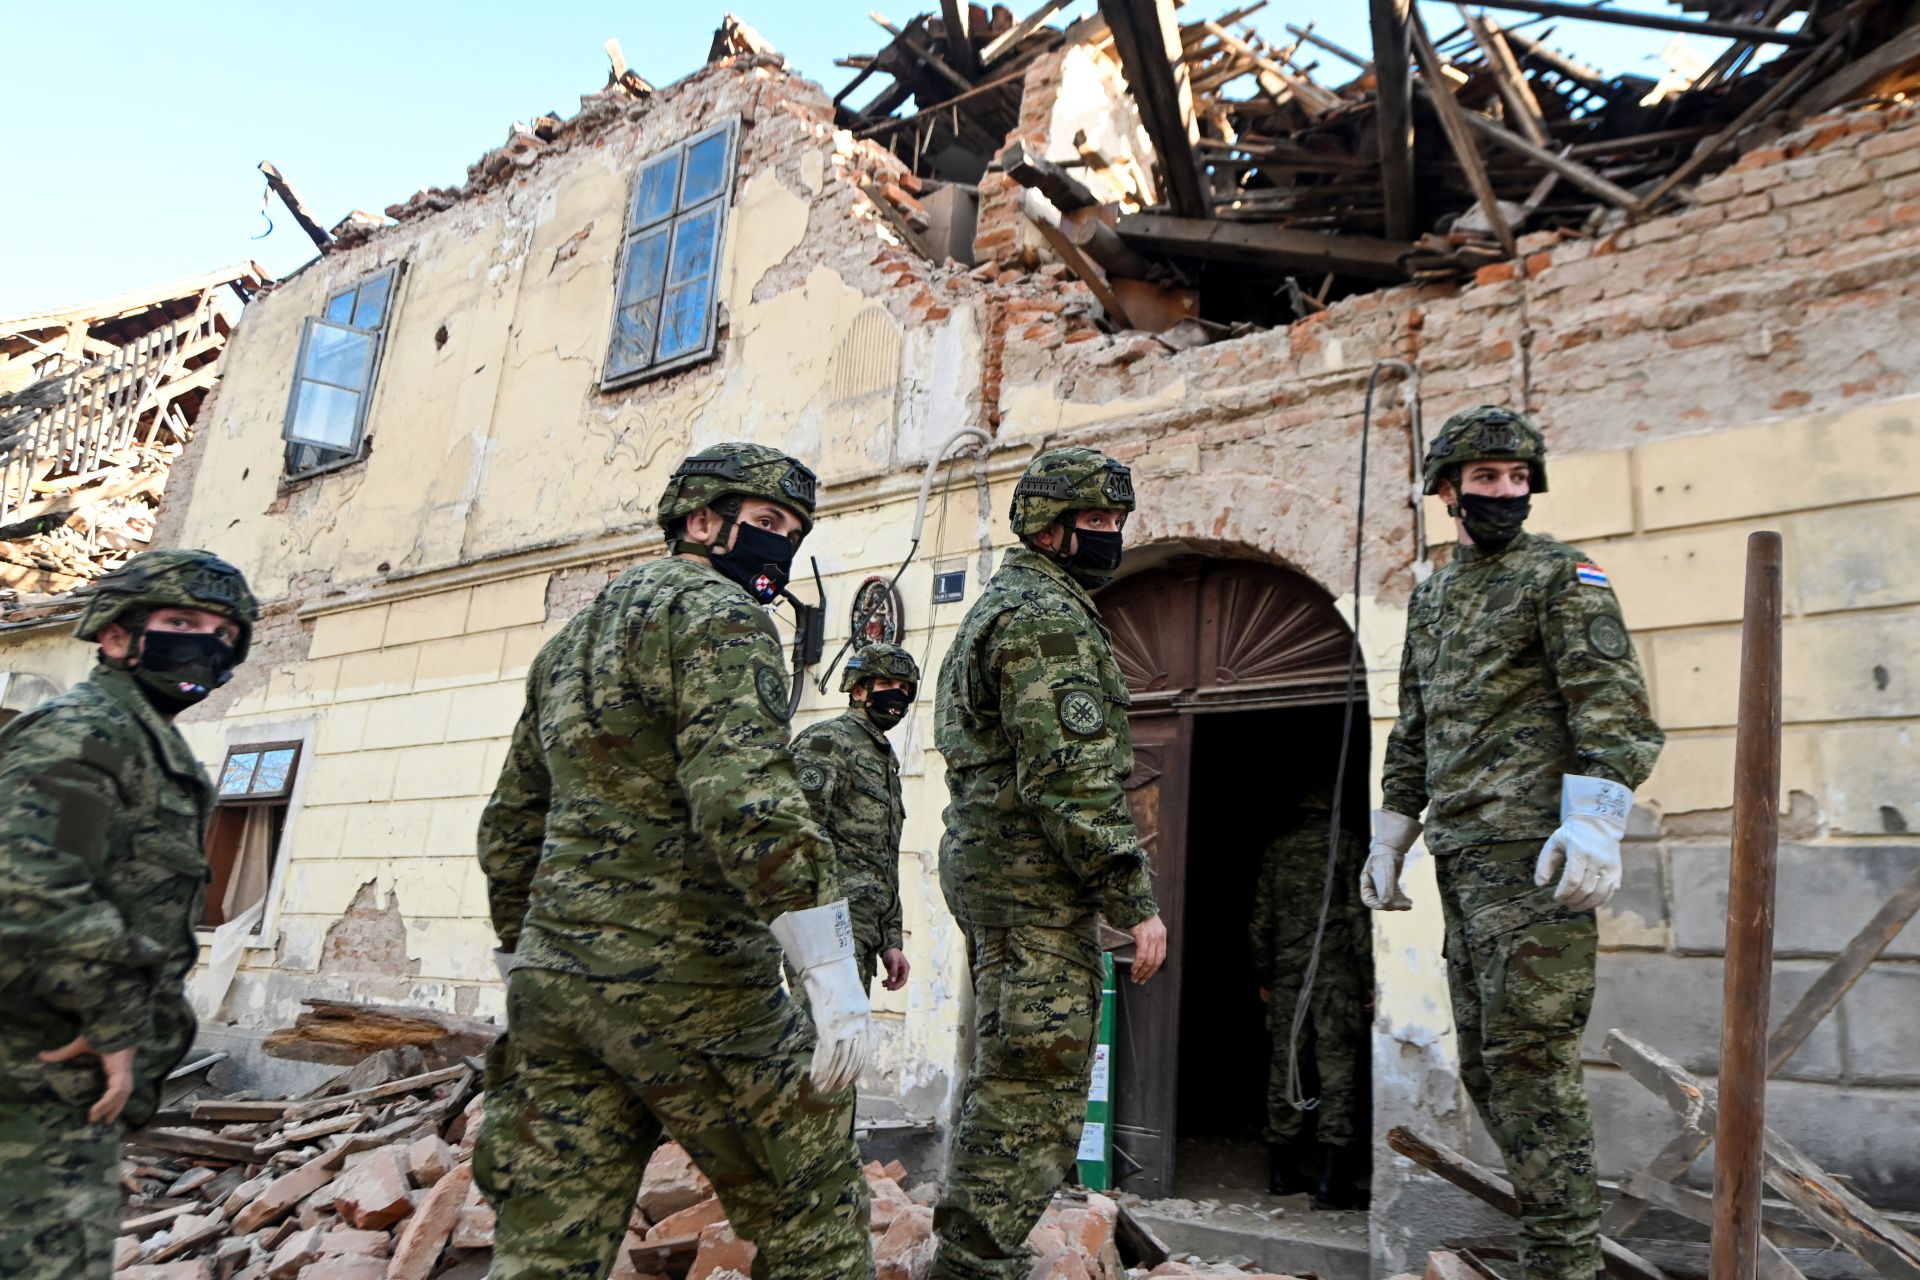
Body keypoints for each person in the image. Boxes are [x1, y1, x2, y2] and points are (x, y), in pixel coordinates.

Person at [475, 442, 875, 1280]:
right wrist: (830, 965)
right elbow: (745, 797)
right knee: (814, 1209)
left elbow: (512, 821)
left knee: (548, 1241)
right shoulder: (721, 616)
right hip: (691, 985)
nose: (781, 546)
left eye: (794, 532)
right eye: (765, 523)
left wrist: (524, 953)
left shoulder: (570, 644)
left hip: (559, 990)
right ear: (701, 521)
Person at [1366, 406, 1663, 1280]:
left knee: (1532, 1063)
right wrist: (1392, 836)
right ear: (1448, 490)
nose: (1505, 493)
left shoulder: (1563, 573)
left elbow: (1610, 704)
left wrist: (1597, 822)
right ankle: (1554, 1244)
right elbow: (1414, 728)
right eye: (1486, 478)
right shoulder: (1435, 596)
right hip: (1465, 856)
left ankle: (1563, 1264)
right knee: (1489, 1071)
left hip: (1540, 853)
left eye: (1517, 477)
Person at [932, 445, 1168, 1280]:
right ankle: (974, 1264)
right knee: (1035, 1086)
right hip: (1031, 884)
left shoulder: (1016, 602)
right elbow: (1070, 778)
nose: (1109, 536)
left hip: (1001, 873)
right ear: (1048, 526)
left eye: (1115, 522)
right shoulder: (1045, 617)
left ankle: (970, 1251)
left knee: (1009, 1071)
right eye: (1095, 522)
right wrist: (1131, 897)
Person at [0, 549, 259, 1278]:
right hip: (32, 1073)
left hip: (64, 1096)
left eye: (223, 633)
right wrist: (114, 1015)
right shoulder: (84, 732)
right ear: (117, 637)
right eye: (181, 623)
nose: (204, 645)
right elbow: (24, 885)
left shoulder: (146, 741)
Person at [1248, 784, 1371, 1207]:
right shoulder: (1348, 845)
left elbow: (1260, 921)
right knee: (1337, 1069)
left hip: (1288, 978)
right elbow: (1358, 915)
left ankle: (1280, 1174)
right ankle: (1330, 1181)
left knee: (1287, 1066)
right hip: (1336, 976)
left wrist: (1266, 973)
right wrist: (1371, 978)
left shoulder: (1279, 850)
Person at [791, 642, 919, 998]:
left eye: (906, 689)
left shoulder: (881, 756)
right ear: (859, 689)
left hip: (862, 931)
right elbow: (798, 836)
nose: (898, 696)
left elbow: (881, 859)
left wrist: (891, 938)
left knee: (846, 1047)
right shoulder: (828, 743)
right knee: (822, 1043)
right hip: (825, 928)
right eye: (887, 686)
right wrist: (820, 921)